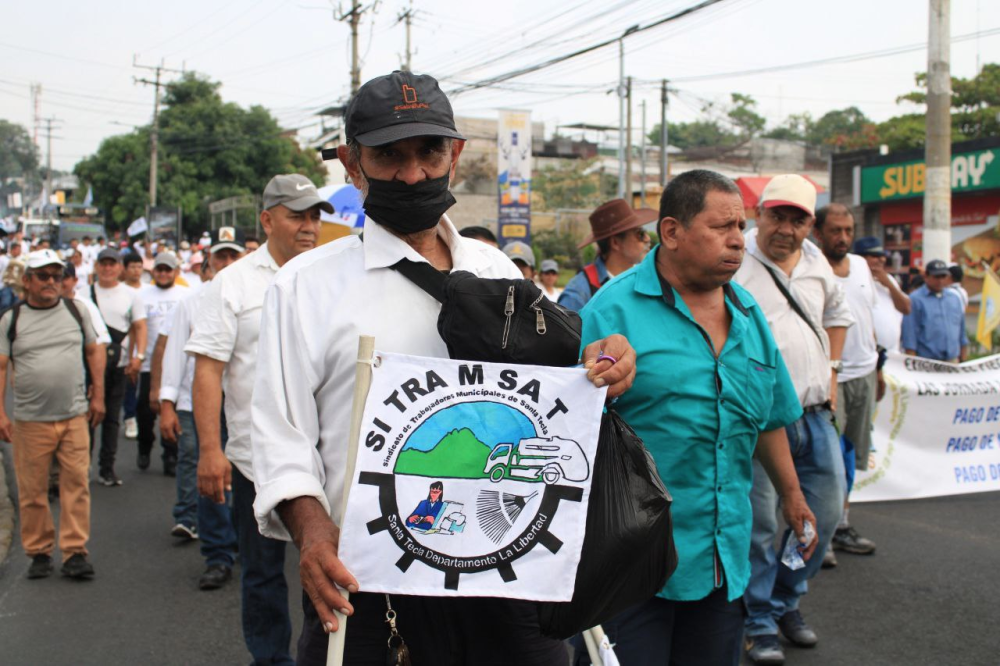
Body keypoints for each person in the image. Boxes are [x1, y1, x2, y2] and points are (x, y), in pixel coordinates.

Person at [249, 69, 636, 666]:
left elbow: (557, 395)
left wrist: (604, 366)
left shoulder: (499, 272)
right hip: (371, 582)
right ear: (353, 166)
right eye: (388, 155)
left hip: (506, 569)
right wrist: (310, 528)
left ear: (454, 154)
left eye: (428, 151)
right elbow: (279, 433)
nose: (412, 174)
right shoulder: (305, 286)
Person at [576, 170, 814, 666]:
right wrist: (596, 372)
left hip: (721, 559)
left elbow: (769, 416)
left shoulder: (747, 315)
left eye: (741, 226)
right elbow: (563, 424)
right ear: (671, 232)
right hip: (630, 565)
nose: (737, 240)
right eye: (721, 227)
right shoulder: (610, 312)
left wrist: (792, 497)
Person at [187, 176, 331, 666]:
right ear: (267, 220)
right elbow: (208, 369)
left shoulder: (332, 278)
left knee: (330, 567)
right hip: (255, 461)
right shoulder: (233, 284)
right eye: (297, 215)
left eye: (315, 215)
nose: (309, 227)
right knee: (264, 573)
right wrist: (210, 450)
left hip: (327, 459)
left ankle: (325, 654)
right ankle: (271, 660)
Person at [733, 174, 852, 664]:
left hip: (816, 414)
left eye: (798, 219)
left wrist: (833, 374)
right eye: (777, 216)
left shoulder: (817, 261)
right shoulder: (734, 259)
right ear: (759, 214)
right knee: (761, 525)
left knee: (821, 518)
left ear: (811, 225)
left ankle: (786, 599)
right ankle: (757, 618)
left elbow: (839, 315)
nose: (786, 228)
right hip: (761, 422)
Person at [0, 249, 105, 579]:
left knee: (77, 485)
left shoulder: (77, 310)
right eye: (42, 276)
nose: (50, 282)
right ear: (27, 280)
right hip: (30, 419)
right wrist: (1, 413)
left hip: (74, 415)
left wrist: (98, 394)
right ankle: (39, 552)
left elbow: (94, 350)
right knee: (32, 490)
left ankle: (74, 551)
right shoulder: (11, 319)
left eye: (56, 276)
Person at [158, 229, 243, 590]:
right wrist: (167, 404)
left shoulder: (262, 295)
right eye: (218, 259)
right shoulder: (190, 303)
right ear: (207, 266)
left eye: (231, 258)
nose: (225, 265)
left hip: (243, 404)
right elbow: (176, 355)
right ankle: (218, 554)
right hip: (200, 404)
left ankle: (244, 542)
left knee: (245, 477)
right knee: (209, 474)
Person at [813, 205, 880, 568]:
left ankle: (840, 526)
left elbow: (866, 319)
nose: (842, 237)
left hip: (865, 375)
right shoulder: (810, 267)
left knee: (851, 457)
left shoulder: (862, 266)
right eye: (835, 230)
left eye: (848, 230)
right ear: (818, 232)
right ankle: (817, 534)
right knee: (826, 461)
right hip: (827, 379)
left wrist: (878, 368)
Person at [91, 248, 147, 486]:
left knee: (112, 417)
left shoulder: (130, 295)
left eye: (112, 264)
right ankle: (81, 467)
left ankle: (107, 467)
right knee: (88, 417)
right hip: (91, 364)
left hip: (119, 364)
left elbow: (140, 326)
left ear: (119, 268)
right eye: (103, 264)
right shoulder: (84, 294)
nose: (107, 268)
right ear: (96, 266)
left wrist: (139, 356)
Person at [136, 252, 187, 475]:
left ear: (176, 272)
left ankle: (170, 454)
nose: (164, 274)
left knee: (172, 411)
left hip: (176, 366)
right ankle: (145, 446)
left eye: (168, 270)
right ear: (153, 272)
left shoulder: (186, 295)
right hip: (149, 364)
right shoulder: (141, 295)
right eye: (160, 270)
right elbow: (136, 328)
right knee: (146, 412)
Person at [558, 199, 657, 311]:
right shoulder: (579, 293)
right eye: (640, 234)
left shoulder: (648, 280)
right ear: (615, 243)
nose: (648, 238)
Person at [902, 259, 969, 362]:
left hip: (952, 360)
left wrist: (963, 357)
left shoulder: (954, 298)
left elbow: (961, 330)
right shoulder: (915, 299)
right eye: (936, 277)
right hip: (926, 361)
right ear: (926, 277)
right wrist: (912, 362)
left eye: (943, 276)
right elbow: (910, 335)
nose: (940, 280)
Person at [853, 237, 910, 353]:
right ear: (860, 258)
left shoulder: (888, 279)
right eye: (875, 256)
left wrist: (888, 284)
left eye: (882, 256)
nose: (881, 260)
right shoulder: (853, 279)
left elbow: (906, 308)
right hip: (866, 355)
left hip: (892, 354)